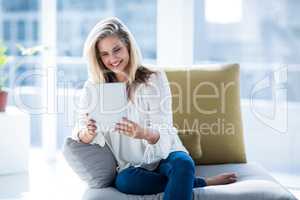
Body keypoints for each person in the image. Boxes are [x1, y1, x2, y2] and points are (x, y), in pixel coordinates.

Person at [72, 17, 237, 200]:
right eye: (104, 54)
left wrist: (144, 134)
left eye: (117, 49)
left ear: (128, 46)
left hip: (165, 151)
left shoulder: (154, 78)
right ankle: (198, 182)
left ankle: (184, 177)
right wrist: (87, 133)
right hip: (133, 165)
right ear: (98, 57)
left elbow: (165, 127)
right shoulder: (93, 87)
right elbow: (79, 129)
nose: (112, 59)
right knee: (125, 181)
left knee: (184, 164)